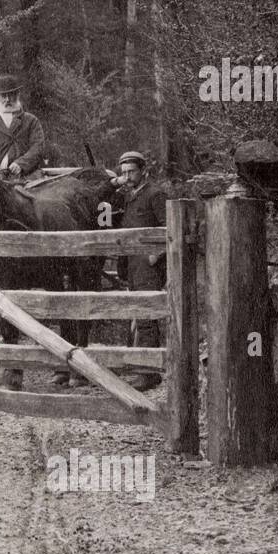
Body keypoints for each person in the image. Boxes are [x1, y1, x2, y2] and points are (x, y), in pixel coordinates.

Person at [112, 150, 167, 392]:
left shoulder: (155, 194)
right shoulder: (126, 197)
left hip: (148, 266)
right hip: (131, 265)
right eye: (123, 172)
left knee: (147, 318)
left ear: (142, 171)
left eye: (131, 171)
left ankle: (149, 373)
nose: (127, 176)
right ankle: (138, 367)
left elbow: (169, 226)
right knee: (136, 314)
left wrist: (155, 256)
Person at [0, 74, 46, 180]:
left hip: (27, 176)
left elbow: (38, 147)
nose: (7, 99)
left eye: (11, 95)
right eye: (3, 96)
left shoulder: (31, 121)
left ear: (18, 95)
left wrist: (21, 164)